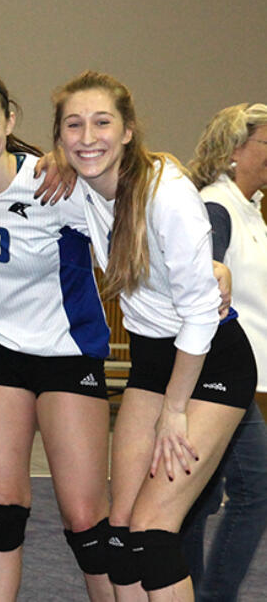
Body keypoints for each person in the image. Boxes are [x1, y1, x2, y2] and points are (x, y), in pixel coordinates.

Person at [55, 71, 257, 600]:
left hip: (209, 362)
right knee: (120, 534)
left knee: (152, 532)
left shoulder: (165, 193)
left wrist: (176, 409)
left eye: (102, 122)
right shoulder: (81, 191)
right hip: (151, 359)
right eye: (73, 125)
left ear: (127, 131)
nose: (87, 136)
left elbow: (198, 314)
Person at [0, 69, 114, 601]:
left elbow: (134, 210)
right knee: (0, 507)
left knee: (84, 517)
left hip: (66, 353)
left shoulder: (55, 184)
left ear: (11, 120)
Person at [180, 102, 267, 601]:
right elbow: (203, 288)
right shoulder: (216, 206)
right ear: (234, 151)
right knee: (251, 489)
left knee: (206, 496)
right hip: (218, 376)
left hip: (240, 377)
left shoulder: (250, 208)